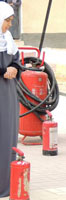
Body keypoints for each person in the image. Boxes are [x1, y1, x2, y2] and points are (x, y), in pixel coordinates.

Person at [0, 2, 21, 197]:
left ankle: (6, 182)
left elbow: (16, 58)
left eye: (11, 20)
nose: (9, 25)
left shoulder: (7, 39)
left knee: (7, 136)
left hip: (7, 94)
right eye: (7, 20)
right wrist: (2, 70)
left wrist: (15, 67)